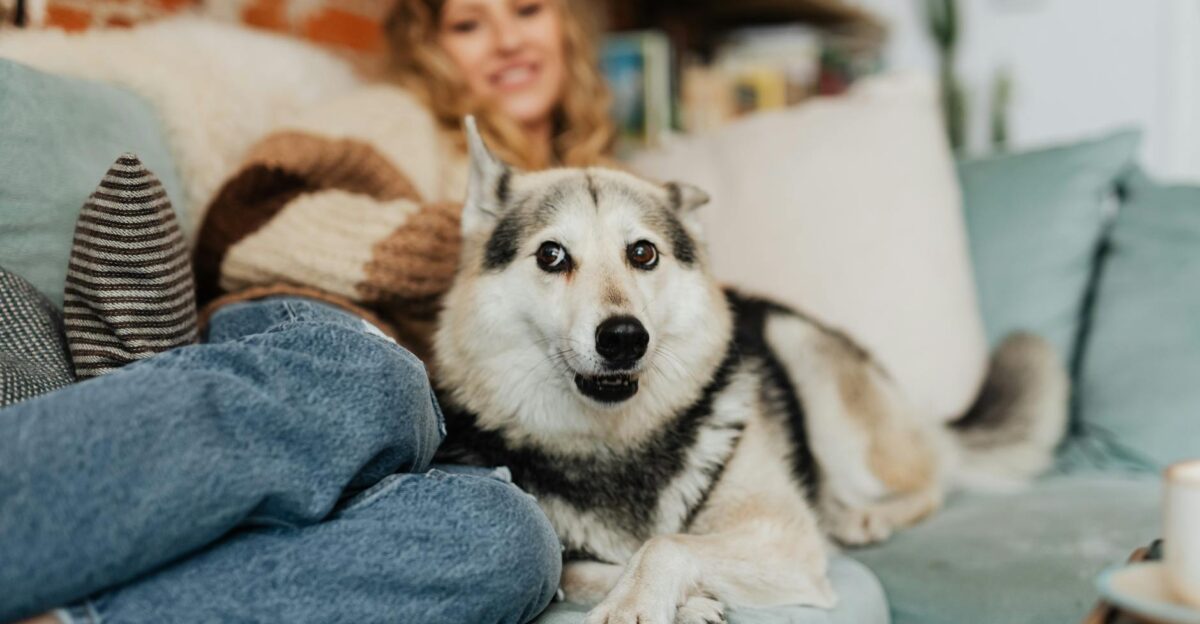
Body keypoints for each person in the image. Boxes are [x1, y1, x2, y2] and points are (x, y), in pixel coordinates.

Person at [3, 1, 615, 623]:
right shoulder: (401, 118)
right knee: (380, 384)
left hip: (430, 437)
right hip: (322, 335)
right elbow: (245, 222)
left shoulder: (616, 195)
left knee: (512, 541)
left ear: (565, 25)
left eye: (527, 10)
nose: (507, 40)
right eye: (468, 25)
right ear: (433, 48)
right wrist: (467, 249)